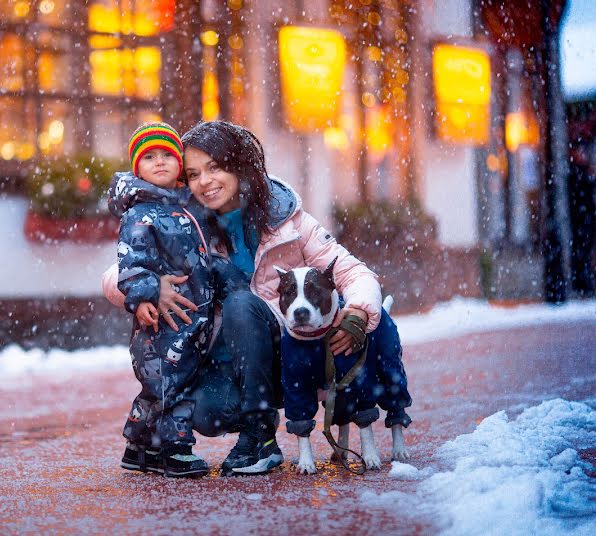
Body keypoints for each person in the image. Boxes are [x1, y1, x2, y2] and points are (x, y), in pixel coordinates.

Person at [104, 120, 412, 476]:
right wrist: (152, 286)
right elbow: (117, 272)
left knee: (240, 302)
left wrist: (359, 311)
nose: (205, 181)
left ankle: (260, 435)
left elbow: (351, 271)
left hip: (293, 352)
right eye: (193, 173)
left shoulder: (285, 220)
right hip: (228, 364)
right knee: (206, 410)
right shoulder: (184, 225)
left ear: (238, 165)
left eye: (215, 167)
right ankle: (250, 418)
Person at [112, 122, 247, 478]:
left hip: (190, 319)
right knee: (173, 384)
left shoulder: (187, 208)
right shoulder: (140, 213)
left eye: (167, 156)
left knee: (161, 386)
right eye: (149, 157)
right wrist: (144, 296)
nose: (159, 163)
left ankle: (140, 448)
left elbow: (202, 255)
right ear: (136, 167)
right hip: (161, 320)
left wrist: (226, 279)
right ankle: (175, 448)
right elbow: (132, 261)